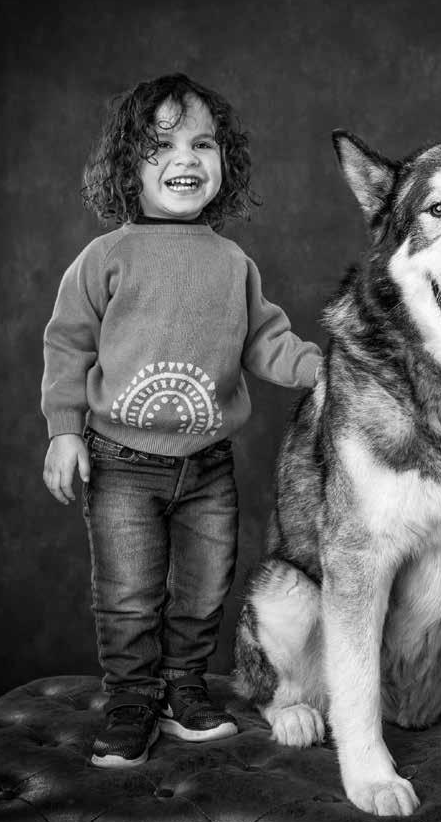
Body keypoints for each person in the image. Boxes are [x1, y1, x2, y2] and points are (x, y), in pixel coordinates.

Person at [41, 73, 323, 767]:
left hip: (208, 467)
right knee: (129, 595)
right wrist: (64, 431)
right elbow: (68, 346)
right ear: (127, 166)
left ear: (225, 162)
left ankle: (183, 689)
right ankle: (131, 699)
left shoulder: (232, 263)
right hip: (120, 465)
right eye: (161, 146)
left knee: (203, 591)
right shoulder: (106, 258)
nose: (185, 159)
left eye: (203, 144)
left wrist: (324, 368)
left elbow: (267, 341)